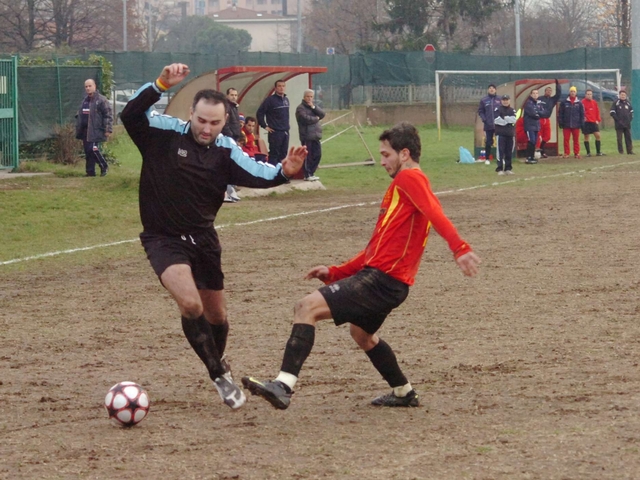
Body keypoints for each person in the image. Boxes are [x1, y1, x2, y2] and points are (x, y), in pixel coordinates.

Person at [242, 122, 481, 410]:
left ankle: (283, 385)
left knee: (306, 308)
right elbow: (375, 248)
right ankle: (404, 392)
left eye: (386, 155)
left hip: (382, 281)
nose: (381, 162)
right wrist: (336, 272)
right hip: (391, 282)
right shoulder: (402, 188)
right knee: (362, 335)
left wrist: (460, 248)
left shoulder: (410, 180)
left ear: (404, 154)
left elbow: (435, 212)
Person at [120, 63, 307, 410]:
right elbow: (131, 114)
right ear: (191, 113)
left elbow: (260, 174)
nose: (206, 128)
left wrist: (284, 171)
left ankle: (216, 362)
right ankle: (218, 373)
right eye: (201, 120)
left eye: (214, 123)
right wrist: (160, 84)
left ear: (225, 122)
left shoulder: (226, 150)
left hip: (204, 240)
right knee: (190, 304)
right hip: (163, 238)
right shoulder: (162, 133)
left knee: (217, 318)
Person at [75, 78, 113, 177]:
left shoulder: (101, 100)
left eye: (90, 86)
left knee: (93, 149)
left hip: (96, 130)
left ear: (95, 86)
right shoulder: (85, 101)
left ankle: (103, 166)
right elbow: (80, 114)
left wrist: (108, 129)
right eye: (86, 87)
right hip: (85, 131)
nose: (88, 88)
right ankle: (90, 172)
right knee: (88, 151)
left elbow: (108, 115)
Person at [256, 79, 290, 165]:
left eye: (283, 86)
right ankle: (272, 175)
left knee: (283, 154)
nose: (281, 88)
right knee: (274, 154)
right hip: (275, 132)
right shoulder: (270, 100)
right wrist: (264, 126)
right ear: (275, 88)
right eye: (279, 86)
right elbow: (260, 113)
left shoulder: (286, 99)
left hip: (285, 131)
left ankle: (281, 174)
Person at [295, 89, 326, 181]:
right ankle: (307, 174)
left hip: (316, 135)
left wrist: (313, 107)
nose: (309, 98)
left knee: (317, 154)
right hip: (306, 135)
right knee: (308, 156)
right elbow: (305, 119)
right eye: (307, 96)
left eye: (311, 97)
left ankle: (312, 172)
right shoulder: (300, 108)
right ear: (304, 97)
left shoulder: (313, 107)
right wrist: (316, 119)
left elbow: (322, 114)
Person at [223, 88, 242, 203]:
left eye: (235, 94)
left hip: (235, 138)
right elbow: (225, 124)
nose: (234, 97)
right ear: (227, 95)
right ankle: (227, 190)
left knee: (233, 163)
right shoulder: (226, 107)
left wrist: (238, 137)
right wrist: (231, 137)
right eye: (232, 95)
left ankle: (231, 189)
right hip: (229, 139)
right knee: (227, 163)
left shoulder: (235, 106)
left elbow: (236, 124)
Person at [558, 86, 585, 159]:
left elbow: (582, 114)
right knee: (566, 139)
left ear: (576, 93)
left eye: (574, 91)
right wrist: (560, 121)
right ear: (569, 92)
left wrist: (582, 122)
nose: (572, 93)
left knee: (576, 139)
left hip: (576, 124)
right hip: (566, 124)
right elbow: (560, 113)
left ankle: (577, 153)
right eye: (571, 91)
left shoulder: (579, 103)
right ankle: (566, 153)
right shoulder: (564, 102)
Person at [493, 94, 517, 174]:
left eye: (507, 100)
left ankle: (508, 168)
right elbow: (497, 120)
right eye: (504, 100)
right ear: (501, 101)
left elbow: (514, 120)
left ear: (509, 101)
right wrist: (506, 121)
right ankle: (499, 169)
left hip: (510, 134)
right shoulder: (497, 109)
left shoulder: (512, 110)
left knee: (509, 152)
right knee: (500, 151)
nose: (505, 101)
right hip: (501, 134)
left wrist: (505, 118)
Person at [477, 83, 501, 161]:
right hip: (488, 124)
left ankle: (500, 158)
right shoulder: (484, 100)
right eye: (490, 88)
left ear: (495, 90)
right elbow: (480, 111)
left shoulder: (500, 99)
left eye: (493, 88)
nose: (491, 89)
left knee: (500, 141)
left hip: (499, 125)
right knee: (488, 142)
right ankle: (487, 158)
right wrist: (484, 119)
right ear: (488, 90)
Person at [537, 80, 561, 158]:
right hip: (539, 119)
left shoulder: (552, 100)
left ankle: (541, 149)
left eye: (550, 91)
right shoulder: (540, 98)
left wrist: (557, 84)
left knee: (547, 136)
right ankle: (538, 152)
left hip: (546, 120)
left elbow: (558, 94)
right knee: (539, 136)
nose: (549, 92)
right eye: (547, 90)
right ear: (545, 91)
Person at [610, 90, 634, 155]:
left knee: (628, 138)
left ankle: (629, 151)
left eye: (624, 95)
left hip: (627, 124)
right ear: (619, 95)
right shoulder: (616, 103)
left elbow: (631, 112)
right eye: (622, 95)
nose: (623, 96)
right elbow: (612, 112)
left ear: (626, 96)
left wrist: (629, 120)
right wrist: (618, 120)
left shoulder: (628, 103)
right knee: (619, 138)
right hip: (619, 124)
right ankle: (621, 151)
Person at [581, 89, 603, 156]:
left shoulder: (594, 102)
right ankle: (588, 153)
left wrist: (598, 119)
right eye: (588, 94)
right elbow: (581, 112)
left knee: (598, 135)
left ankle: (598, 152)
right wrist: (583, 118)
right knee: (586, 136)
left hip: (593, 122)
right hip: (586, 122)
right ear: (585, 95)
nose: (589, 95)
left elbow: (597, 111)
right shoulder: (582, 102)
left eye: (590, 94)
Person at [523, 89, 542, 164]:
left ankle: (532, 156)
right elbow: (533, 114)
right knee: (531, 140)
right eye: (533, 93)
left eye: (536, 93)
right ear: (531, 94)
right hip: (529, 125)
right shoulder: (528, 103)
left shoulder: (538, 103)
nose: (535, 95)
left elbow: (543, 111)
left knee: (534, 141)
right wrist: (538, 114)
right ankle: (528, 157)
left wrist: (539, 113)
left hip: (536, 125)